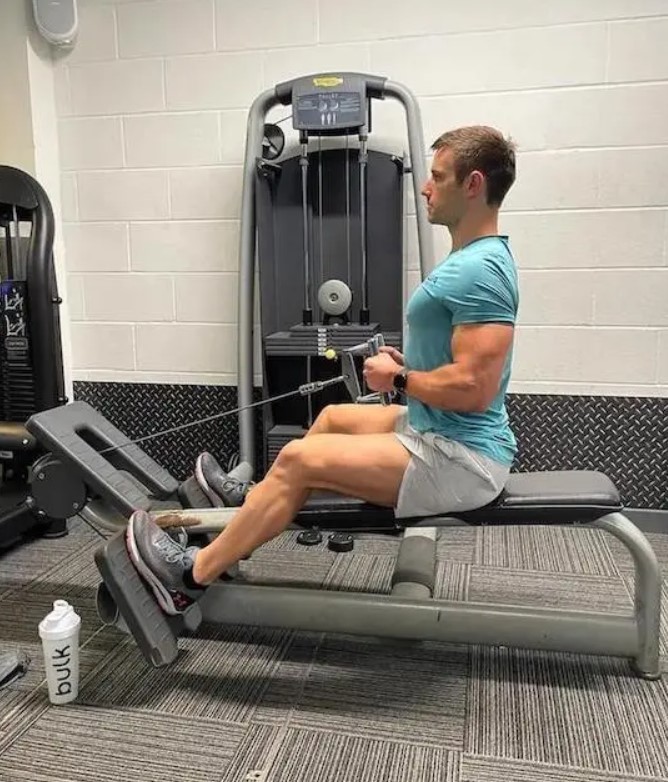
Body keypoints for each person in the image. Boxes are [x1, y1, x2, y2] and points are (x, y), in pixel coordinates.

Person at [125, 125, 520, 616]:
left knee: (297, 459)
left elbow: (475, 389)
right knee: (333, 418)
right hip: (436, 430)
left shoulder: (481, 270)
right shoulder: (472, 260)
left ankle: (188, 577)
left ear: (474, 185)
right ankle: (253, 512)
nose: (425, 187)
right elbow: (457, 364)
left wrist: (398, 380)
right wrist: (411, 365)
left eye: (437, 177)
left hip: (463, 460)